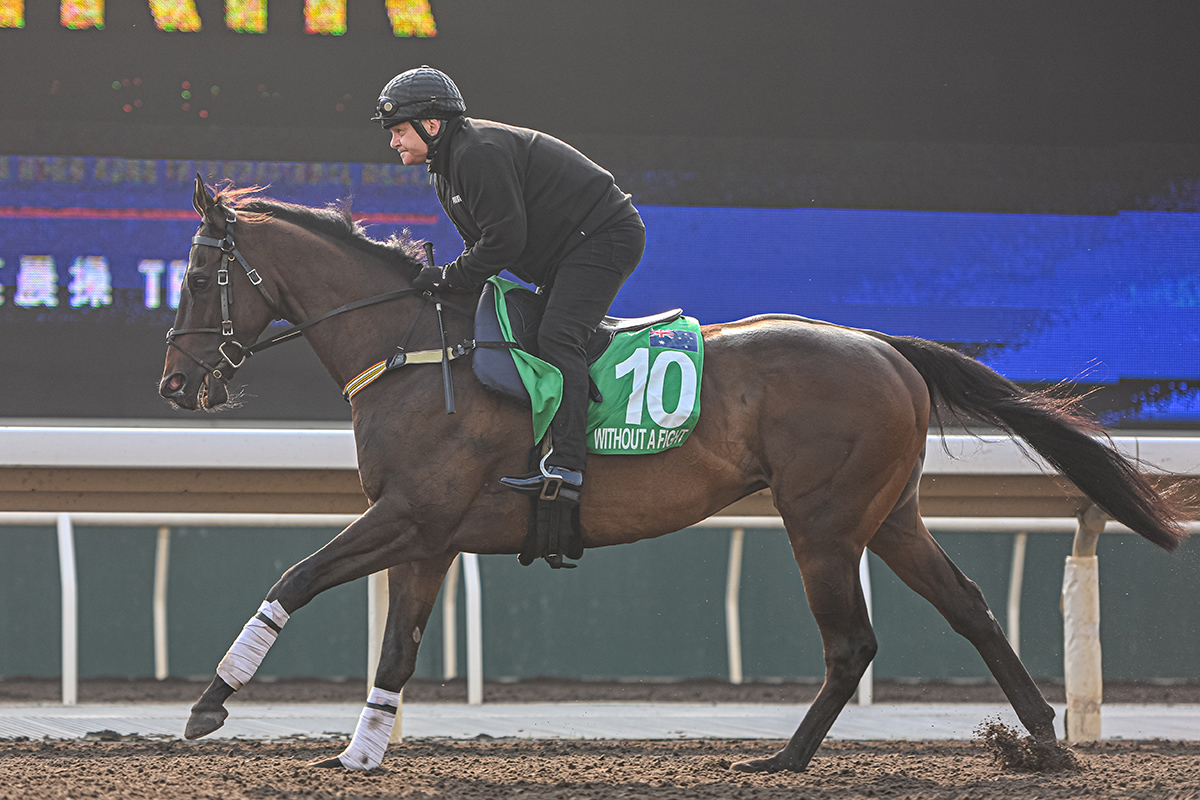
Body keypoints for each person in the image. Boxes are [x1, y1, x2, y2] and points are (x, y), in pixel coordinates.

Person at [372, 65, 645, 505]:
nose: (393, 141)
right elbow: (481, 244)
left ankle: (568, 467)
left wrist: (448, 277)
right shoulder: (443, 170)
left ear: (432, 124)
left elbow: (503, 241)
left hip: (604, 237)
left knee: (558, 336)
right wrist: (452, 282)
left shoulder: (475, 153)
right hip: (568, 248)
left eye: (400, 130)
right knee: (537, 333)